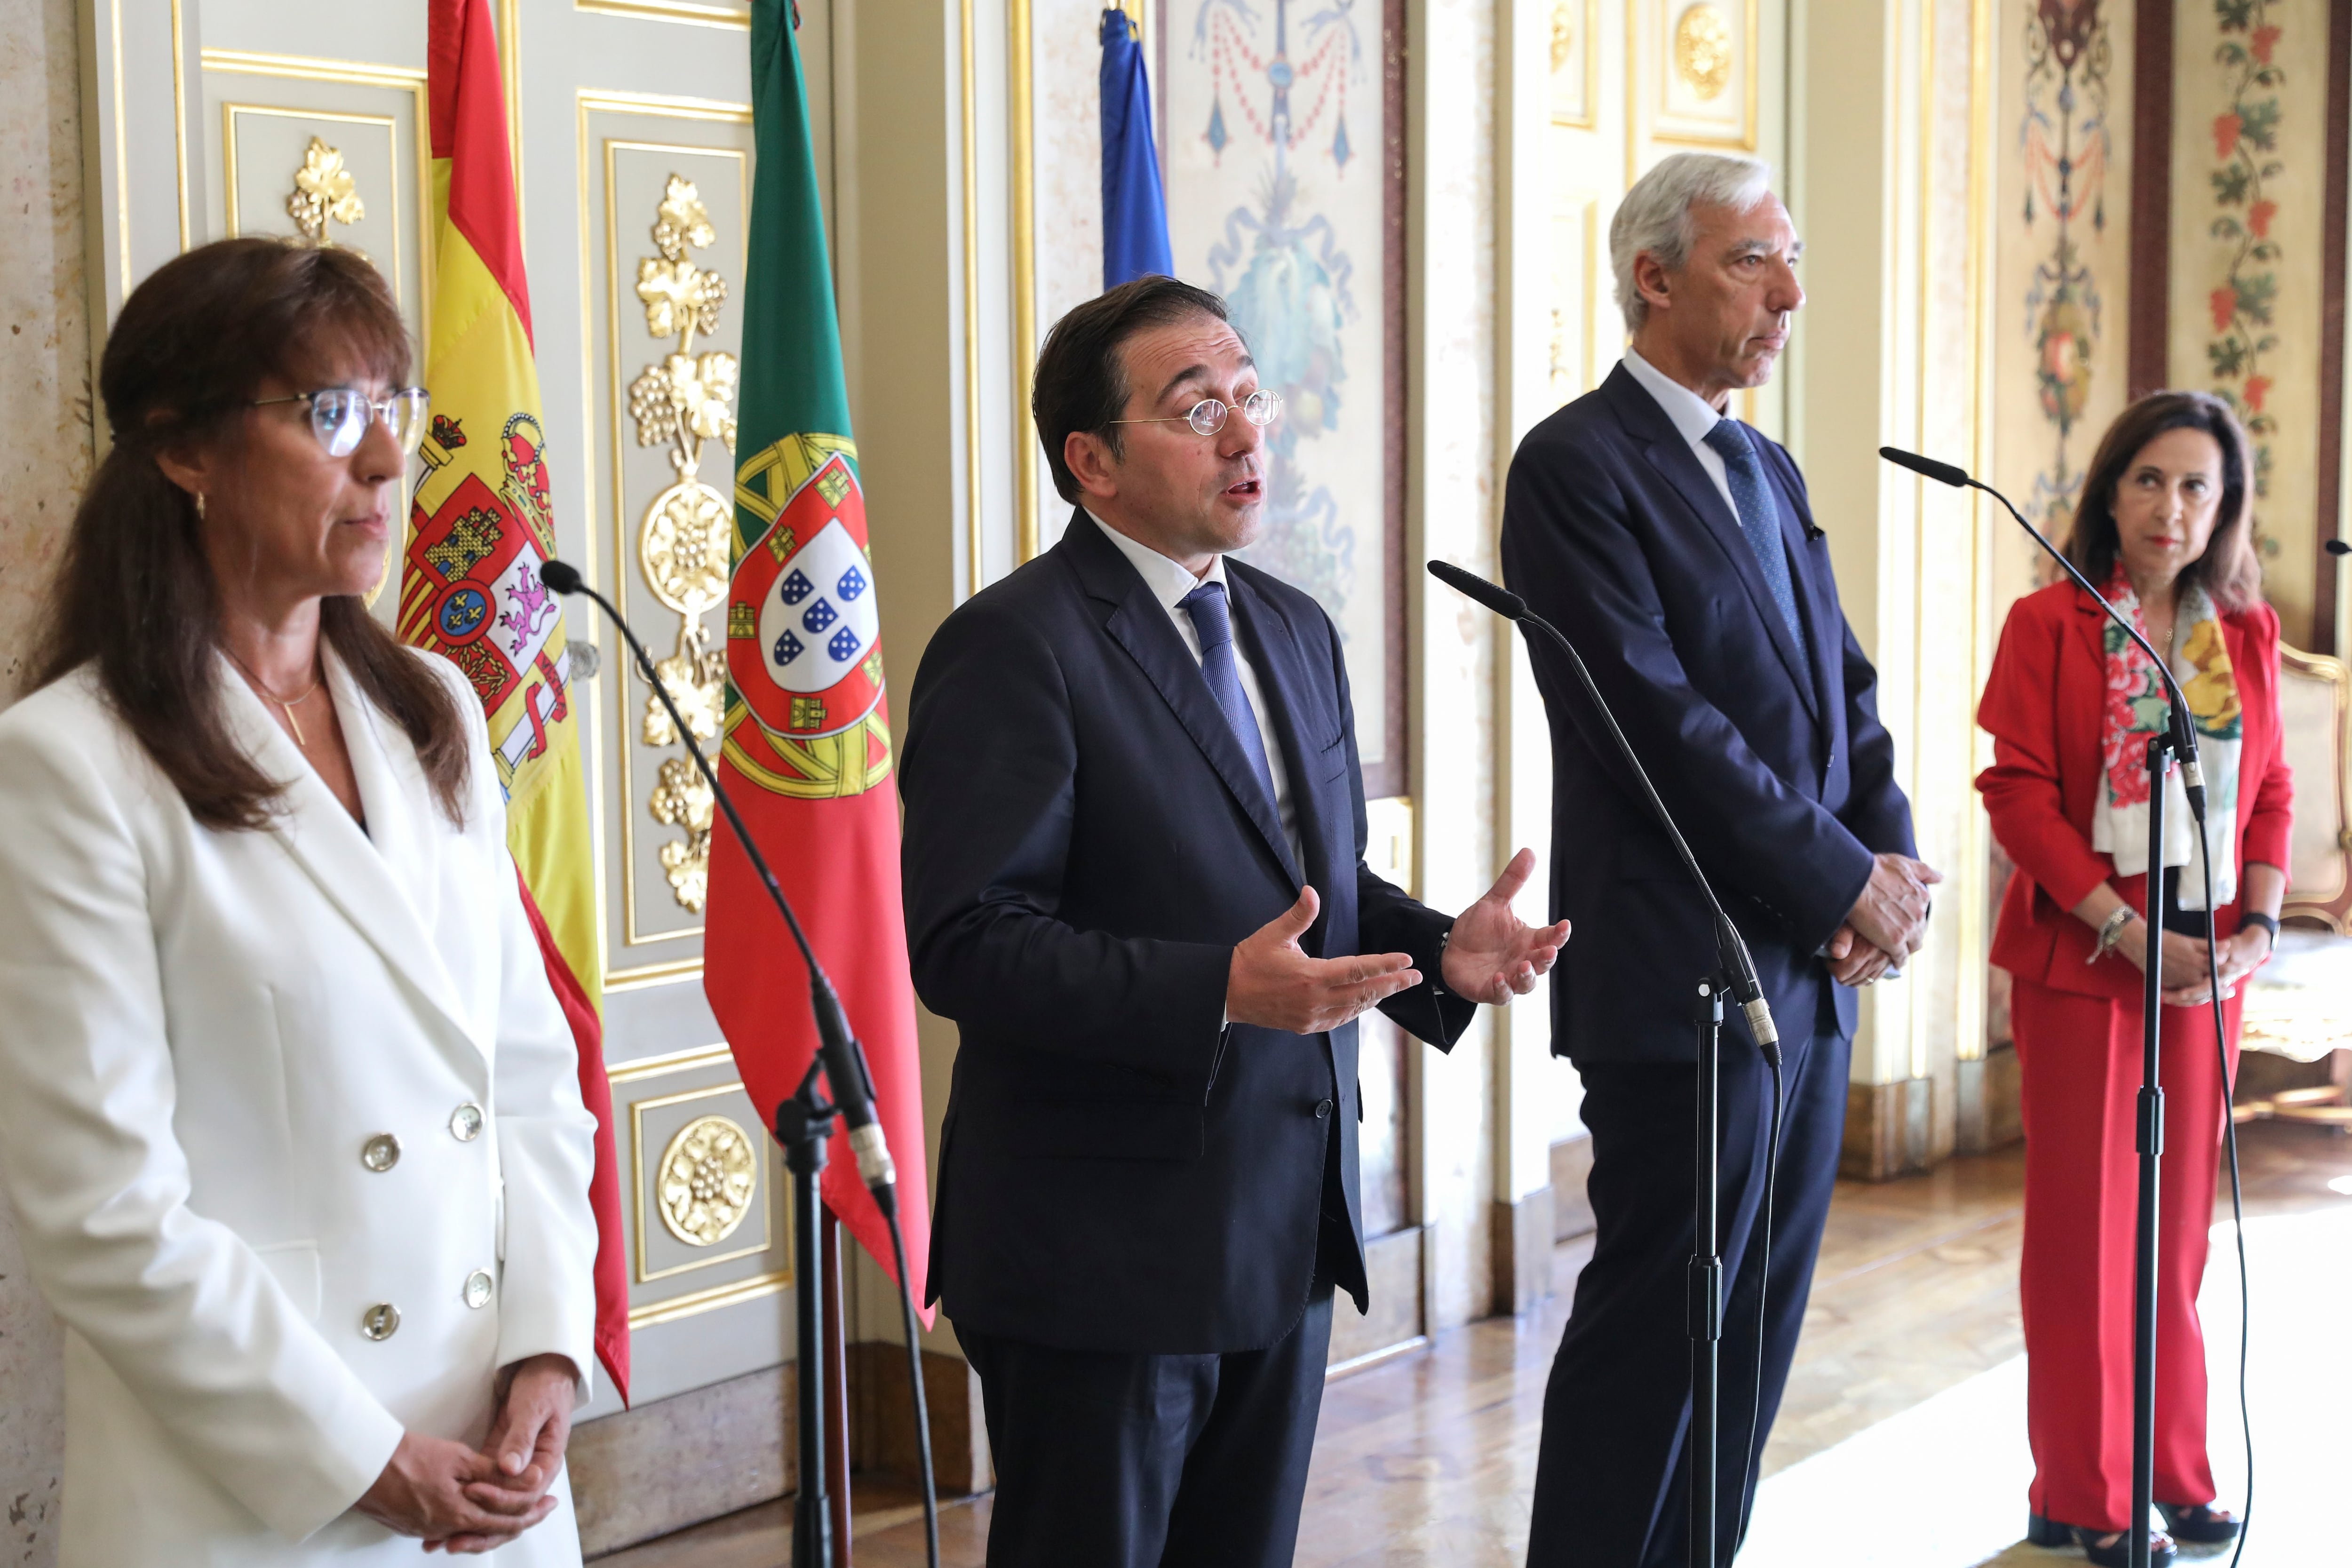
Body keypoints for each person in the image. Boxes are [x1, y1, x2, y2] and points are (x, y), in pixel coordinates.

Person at [900, 275, 1569, 1568]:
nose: (1245, 434)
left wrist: (1439, 949)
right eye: (1195, 406)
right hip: (1100, 1249)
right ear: (1089, 460)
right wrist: (1217, 987)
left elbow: (1311, 885)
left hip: (1280, 1223)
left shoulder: (1293, 628)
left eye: (1250, 397)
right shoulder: (1015, 647)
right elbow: (968, 939)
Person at [0, 238, 599, 1565]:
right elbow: (104, 1211)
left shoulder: (430, 704)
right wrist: (368, 1457)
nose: (387, 459)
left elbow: (527, 1072)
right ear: (182, 449)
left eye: (395, 406)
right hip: (262, 1489)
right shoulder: (71, 762)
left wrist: (549, 1347)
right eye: (330, 413)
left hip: (496, 1470)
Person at [1500, 151, 1936, 1567]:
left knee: (1752, 1339)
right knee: (1659, 1335)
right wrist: (1837, 880)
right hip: (1681, 975)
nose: (1791, 294)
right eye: (1757, 260)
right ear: (1654, 273)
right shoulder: (1577, 465)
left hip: (1806, 978)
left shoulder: (1763, 460)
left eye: (1791, 258)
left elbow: (1841, 692)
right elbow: (1656, 720)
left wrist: (1893, 865)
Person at [1977, 391, 2289, 1568]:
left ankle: (2178, 1470)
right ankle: (2082, 1495)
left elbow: (2269, 792)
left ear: (2225, 507)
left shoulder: (2244, 638)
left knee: (2177, 1237)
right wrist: (2120, 927)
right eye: (2151, 480)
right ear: (2110, 489)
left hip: (2210, 958)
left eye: (2197, 486)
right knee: (2085, 1236)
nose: (2172, 507)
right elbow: (2015, 791)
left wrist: (2253, 923)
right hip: (2084, 951)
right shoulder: (2047, 622)